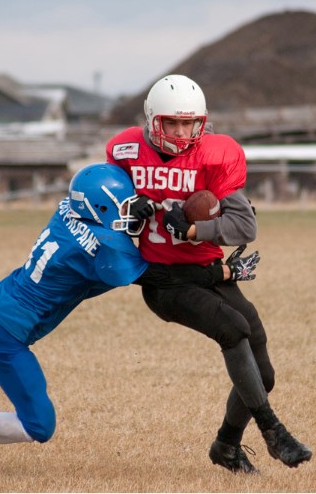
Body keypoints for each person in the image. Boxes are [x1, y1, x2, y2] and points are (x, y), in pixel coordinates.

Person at [0, 163, 259, 474]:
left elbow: (110, 212)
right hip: (7, 330)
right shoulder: (105, 249)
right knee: (39, 425)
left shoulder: (71, 211)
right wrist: (222, 272)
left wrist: (149, 205)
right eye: (123, 207)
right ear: (99, 209)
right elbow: (165, 277)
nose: (131, 214)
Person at [106, 74, 312, 474]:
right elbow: (105, 207)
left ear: (202, 123)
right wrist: (132, 210)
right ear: (153, 121)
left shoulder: (216, 156)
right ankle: (274, 431)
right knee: (232, 328)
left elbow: (245, 227)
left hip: (208, 271)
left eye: (189, 123)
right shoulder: (126, 151)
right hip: (163, 280)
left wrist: (196, 229)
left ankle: (226, 446)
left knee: (263, 372)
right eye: (172, 123)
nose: (181, 132)